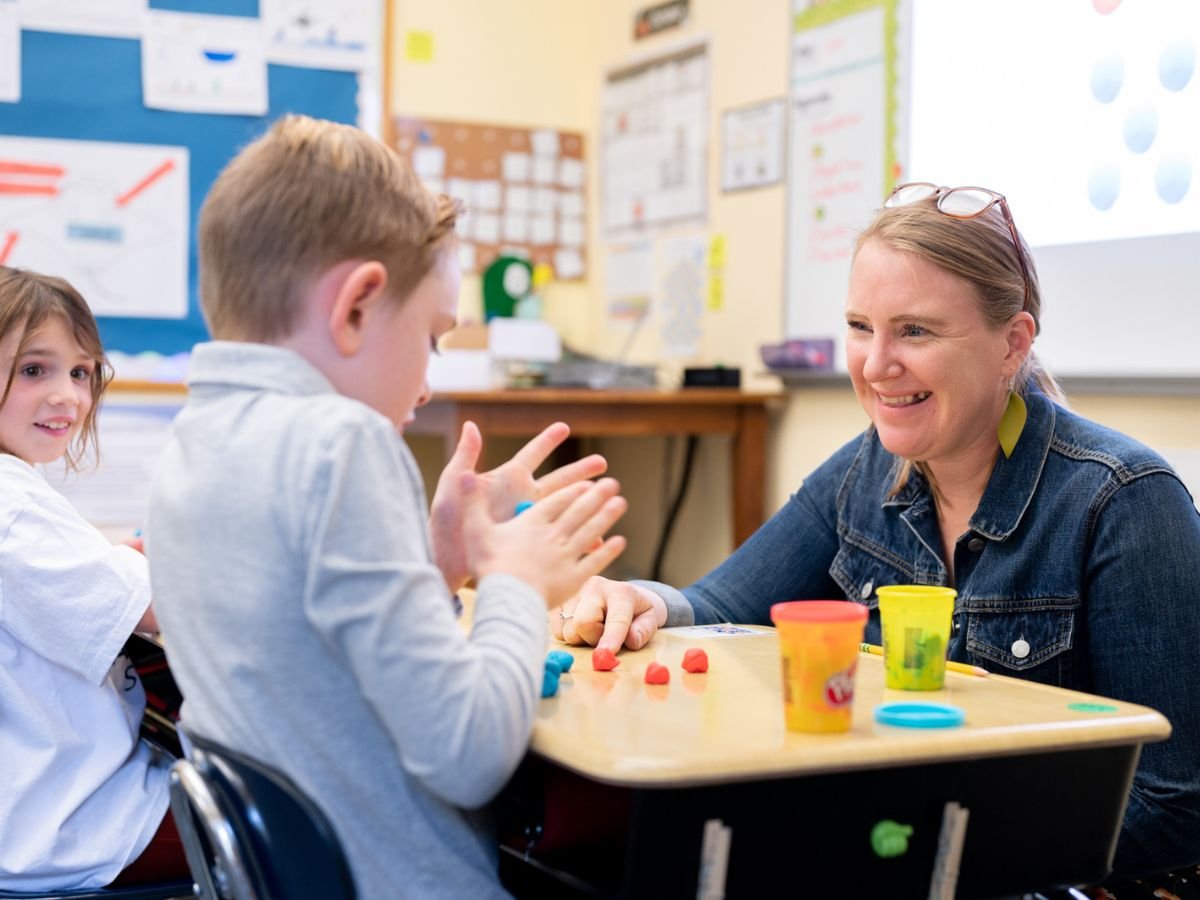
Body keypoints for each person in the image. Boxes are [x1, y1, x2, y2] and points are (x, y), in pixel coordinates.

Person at [554, 182, 1200, 887]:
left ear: (1012, 343)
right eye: (861, 326)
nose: (874, 363)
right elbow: (718, 606)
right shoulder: (869, 465)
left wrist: (934, 856)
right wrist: (640, 601)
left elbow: (1175, 808)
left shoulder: (1124, 502)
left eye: (915, 330)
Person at [145, 114, 628, 900]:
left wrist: (439, 562)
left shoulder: (190, 449)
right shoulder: (341, 443)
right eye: (433, 337)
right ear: (359, 306)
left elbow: (311, 663)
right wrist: (515, 584)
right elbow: (468, 753)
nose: (429, 378)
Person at [0, 266, 189, 890]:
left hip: (45, 804)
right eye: (34, 370)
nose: (68, 396)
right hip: (73, 827)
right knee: (317, 817)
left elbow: (76, 577)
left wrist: (125, 558)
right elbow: (167, 608)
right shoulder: (12, 506)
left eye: (80, 372)